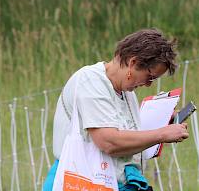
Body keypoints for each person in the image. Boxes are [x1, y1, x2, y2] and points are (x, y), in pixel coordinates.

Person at [44, 28, 189, 191]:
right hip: (81, 182)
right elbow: (108, 142)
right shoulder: (90, 81)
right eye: (150, 77)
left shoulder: (126, 93)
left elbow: (124, 135)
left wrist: (162, 123)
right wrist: (162, 134)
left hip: (108, 183)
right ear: (133, 62)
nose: (149, 84)